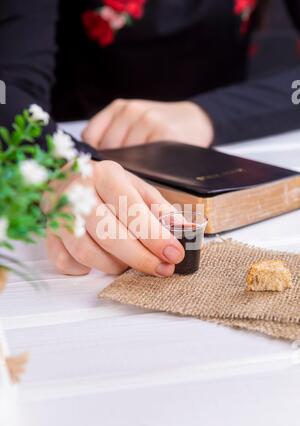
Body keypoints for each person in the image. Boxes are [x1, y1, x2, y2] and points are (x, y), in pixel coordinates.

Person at [0, 0, 300, 277]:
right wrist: (62, 163)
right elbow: (5, 88)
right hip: (80, 147)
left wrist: (208, 115)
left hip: (228, 151)